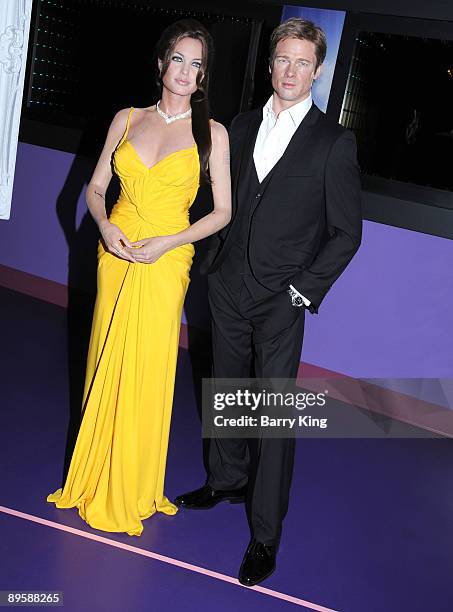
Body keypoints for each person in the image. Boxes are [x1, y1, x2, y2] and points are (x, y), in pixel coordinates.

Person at [175, 18, 362, 585]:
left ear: (318, 71)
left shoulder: (334, 142)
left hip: (283, 298)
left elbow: (347, 233)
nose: (291, 71)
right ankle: (225, 479)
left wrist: (303, 291)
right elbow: (224, 199)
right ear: (271, 63)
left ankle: (265, 535)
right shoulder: (240, 122)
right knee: (224, 388)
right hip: (229, 284)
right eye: (284, 59)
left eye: (303, 62)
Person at [47, 19, 231, 536]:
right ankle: (92, 473)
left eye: (197, 65)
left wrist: (169, 243)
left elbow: (222, 213)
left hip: (167, 258)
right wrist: (104, 227)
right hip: (117, 251)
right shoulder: (126, 118)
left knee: (148, 366)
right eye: (179, 59)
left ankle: (131, 484)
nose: (187, 71)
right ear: (160, 63)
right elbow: (95, 186)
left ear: (203, 76)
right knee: (103, 355)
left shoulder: (211, 133)